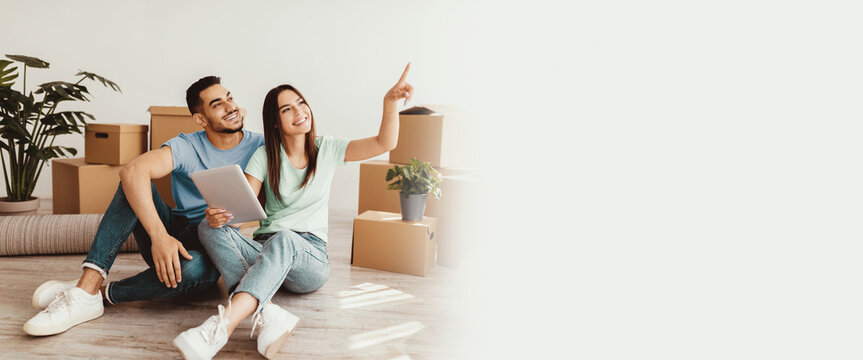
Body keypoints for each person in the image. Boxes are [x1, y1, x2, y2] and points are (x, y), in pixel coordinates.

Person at [172, 63, 414, 359]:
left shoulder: (328, 148)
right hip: (265, 250)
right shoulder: (264, 156)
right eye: (287, 109)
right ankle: (269, 313)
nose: (299, 111)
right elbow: (238, 211)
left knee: (285, 238)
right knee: (207, 227)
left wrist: (390, 103)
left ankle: (219, 328)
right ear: (275, 122)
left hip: (308, 260)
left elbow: (383, 143)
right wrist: (218, 216)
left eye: (300, 103)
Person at [23, 76, 265, 336]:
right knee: (134, 179)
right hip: (174, 233)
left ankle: (94, 293)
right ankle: (87, 283)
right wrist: (160, 236)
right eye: (218, 104)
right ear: (201, 119)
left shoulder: (260, 145)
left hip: (215, 246)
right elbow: (133, 171)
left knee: (195, 268)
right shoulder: (187, 144)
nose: (231, 107)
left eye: (230, 98)